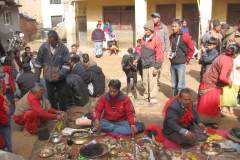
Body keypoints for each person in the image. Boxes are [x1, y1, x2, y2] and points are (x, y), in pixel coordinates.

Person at [197, 43, 239, 125]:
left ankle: (202, 121)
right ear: (236, 54)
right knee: (210, 106)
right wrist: (229, 82)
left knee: (205, 105)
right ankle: (207, 122)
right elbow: (222, 77)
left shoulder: (222, 56)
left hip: (207, 81)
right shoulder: (228, 61)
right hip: (212, 85)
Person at [34, 30, 70, 111]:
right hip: (48, 78)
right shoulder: (43, 48)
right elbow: (38, 64)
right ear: (48, 40)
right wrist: (36, 80)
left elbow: (67, 65)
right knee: (51, 96)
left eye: (54, 41)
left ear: (57, 39)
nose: (52, 44)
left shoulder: (63, 48)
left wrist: (60, 74)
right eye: (50, 41)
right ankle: (54, 112)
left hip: (60, 79)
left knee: (62, 96)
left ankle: (63, 113)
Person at [140, 21, 164, 103]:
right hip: (144, 63)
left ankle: (152, 96)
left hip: (152, 64)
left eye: (147, 30)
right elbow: (141, 50)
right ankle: (146, 95)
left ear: (151, 30)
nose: (145, 31)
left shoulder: (156, 39)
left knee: (152, 81)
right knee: (145, 81)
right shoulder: (143, 38)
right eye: (145, 30)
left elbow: (160, 53)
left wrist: (157, 66)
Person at [169, 19, 194, 96]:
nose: (173, 28)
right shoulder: (171, 36)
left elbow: (192, 49)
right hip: (173, 63)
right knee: (173, 85)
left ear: (180, 26)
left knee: (180, 85)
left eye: (175, 26)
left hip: (181, 64)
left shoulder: (185, 36)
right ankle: (174, 99)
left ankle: (181, 101)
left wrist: (187, 58)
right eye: (172, 26)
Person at [151, 12, 171, 86]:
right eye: (153, 17)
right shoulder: (151, 27)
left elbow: (167, 40)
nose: (154, 19)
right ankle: (153, 79)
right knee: (152, 65)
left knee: (159, 66)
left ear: (159, 18)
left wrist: (167, 50)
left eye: (155, 17)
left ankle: (157, 80)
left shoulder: (164, 27)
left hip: (160, 51)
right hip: (152, 50)